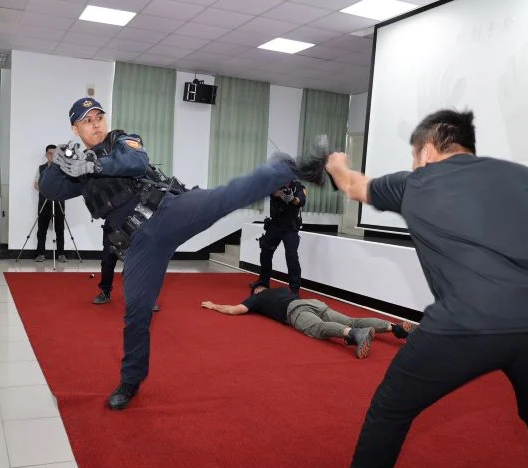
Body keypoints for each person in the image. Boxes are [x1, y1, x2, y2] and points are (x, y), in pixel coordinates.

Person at [316, 109, 528, 468]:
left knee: (392, 407)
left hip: (468, 321)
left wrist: (336, 163)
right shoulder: (522, 176)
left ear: (426, 151)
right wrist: (524, 260)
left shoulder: (417, 181)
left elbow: (352, 185)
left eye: (413, 156)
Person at [39, 97, 326, 410]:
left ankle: (292, 168)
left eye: (98, 117)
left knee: (225, 197)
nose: (95, 125)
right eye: (87, 121)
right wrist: (61, 162)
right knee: (137, 312)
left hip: (168, 211)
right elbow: (50, 189)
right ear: (75, 128)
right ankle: (130, 381)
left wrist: (95, 164)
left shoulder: (121, 140)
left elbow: (136, 162)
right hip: (140, 244)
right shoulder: (78, 168)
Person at [201, 283, 412, 358]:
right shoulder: (281, 289)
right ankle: (394, 327)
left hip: (294, 311)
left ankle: (354, 335)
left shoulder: (256, 298)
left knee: (317, 328)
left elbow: (235, 310)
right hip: (313, 302)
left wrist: (213, 305)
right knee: (352, 319)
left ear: (256, 291)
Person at [254, 180, 306, 294]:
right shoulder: (274, 183)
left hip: (290, 227)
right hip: (275, 226)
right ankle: (263, 282)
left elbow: (301, 201)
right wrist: (278, 193)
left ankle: (294, 289)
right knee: (265, 253)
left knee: (291, 257)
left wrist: (292, 199)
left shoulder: (297, 186)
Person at [33, 144, 65, 262]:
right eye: (50, 153)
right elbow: (36, 184)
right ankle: (40, 254)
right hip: (44, 203)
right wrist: (46, 190)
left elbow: (65, 184)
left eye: (54, 153)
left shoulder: (63, 168)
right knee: (41, 230)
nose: (52, 156)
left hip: (58, 202)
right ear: (46, 155)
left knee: (60, 230)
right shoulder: (41, 168)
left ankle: (61, 254)